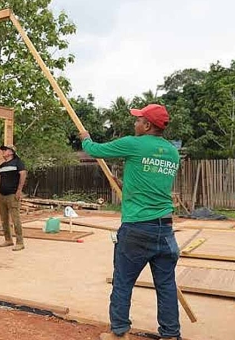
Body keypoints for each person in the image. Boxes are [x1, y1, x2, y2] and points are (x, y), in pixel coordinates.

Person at [79, 104, 181, 340]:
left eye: (138, 120)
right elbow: (153, 185)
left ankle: (119, 332)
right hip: (165, 229)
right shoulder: (172, 152)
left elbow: (95, 150)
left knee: (123, 283)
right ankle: (171, 335)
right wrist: (125, 186)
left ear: (147, 125)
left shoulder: (134, 144)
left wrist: (85, 138)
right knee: (166, 286)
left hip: (137, 228)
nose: (134, 124)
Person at [0, 144, 27, 251]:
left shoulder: (18, 163)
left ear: (11, 152)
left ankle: (20, 242)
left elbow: (23, 175)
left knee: (16, 219)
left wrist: (19, 190)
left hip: (12, 195)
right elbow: (0, 179)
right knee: (4, 219)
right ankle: (8, 240)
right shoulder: (2, 166)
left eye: (5, 150)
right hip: (2, 195)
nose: (3, 151)